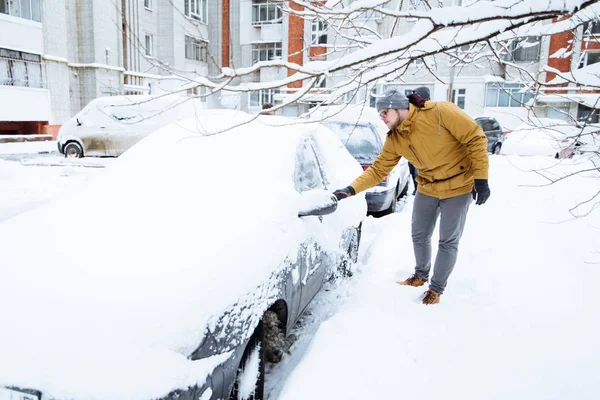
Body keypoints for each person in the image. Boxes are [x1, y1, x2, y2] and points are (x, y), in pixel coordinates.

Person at [333, 89, 490, 305]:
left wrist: (481, 178)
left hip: (459, 185)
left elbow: (475, 138)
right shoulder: (396, 138)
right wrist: (351, 190)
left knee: (448, 240)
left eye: (385, 112)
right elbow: (379, 170)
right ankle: (421, 275)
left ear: (399, 108)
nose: (382, 118)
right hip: (427, 187)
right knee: (419, 234)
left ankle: (436, 290)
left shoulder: (440, 112)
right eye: (380, 114)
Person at [407, 86, 431, 195]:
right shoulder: (412, 110)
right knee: (413, 171)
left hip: (425, 151)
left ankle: (422, 191)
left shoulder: (430, 111)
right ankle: (417, 188)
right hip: (413, 150)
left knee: (420, 173)